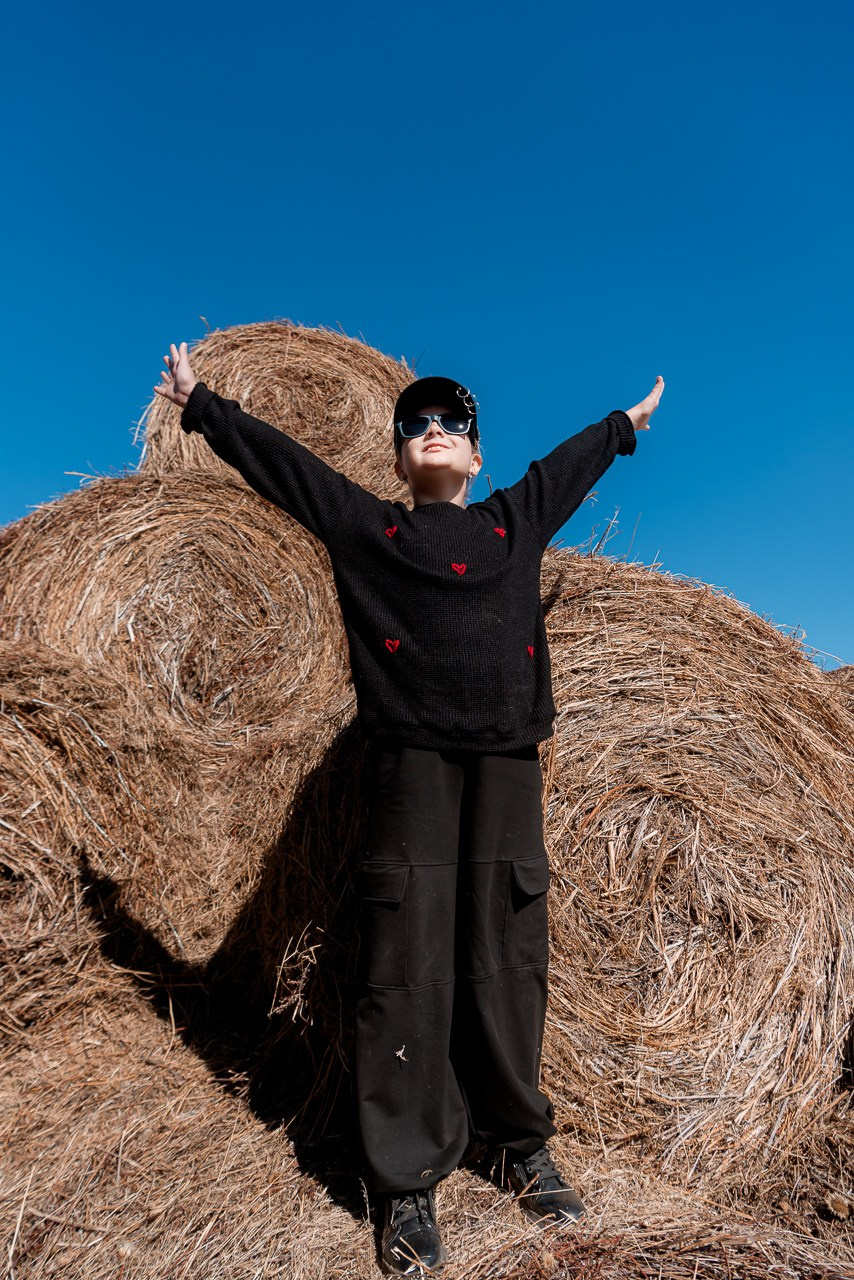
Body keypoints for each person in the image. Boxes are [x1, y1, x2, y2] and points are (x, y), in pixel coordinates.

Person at [154, 342, 664, 1275]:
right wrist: (202, 406)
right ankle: (405, 1181)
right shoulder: (371, 531)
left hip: (507, 764)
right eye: (415, 425)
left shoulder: (514, 525)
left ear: (475, 457)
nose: (433, 432)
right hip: (411, 767)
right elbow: (289, 470)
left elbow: (566, 469)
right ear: (397, 460)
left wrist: (622, 428)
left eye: (452, 425)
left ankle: (516, 1141)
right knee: (407, 962)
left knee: (508, 952)